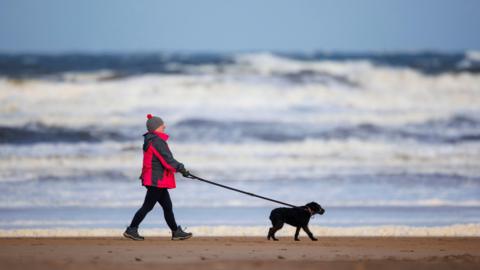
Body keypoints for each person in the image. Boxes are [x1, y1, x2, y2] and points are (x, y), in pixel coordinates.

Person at [124, 114, 192, 241]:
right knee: (148, 206)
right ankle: (131, 229)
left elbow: (164, 160)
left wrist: (180, 169)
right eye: (162, 125)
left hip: (155, 179)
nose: (164, 126)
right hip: (156, 180)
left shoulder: (151, 140)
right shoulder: (157, 141)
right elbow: (167, 160)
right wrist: (181, 168)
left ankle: (175, 231)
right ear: (155, 128)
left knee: (167, 206)